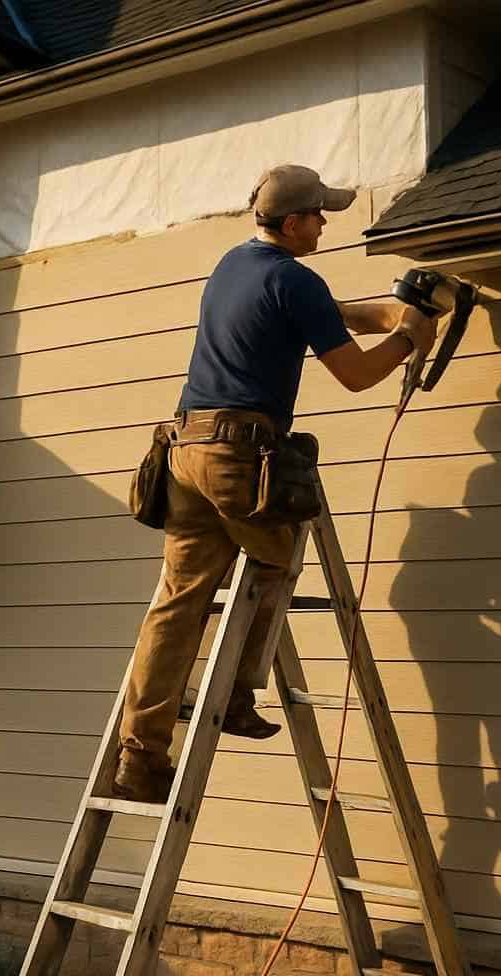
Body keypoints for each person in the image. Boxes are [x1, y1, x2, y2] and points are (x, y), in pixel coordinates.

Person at [113, 164, 439, 802]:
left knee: (178, 604)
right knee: (278, 557)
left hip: (183, 453)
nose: (324, 225)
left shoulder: (232, 267)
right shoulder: (298, 281)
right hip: (237, 458)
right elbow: (354, 375)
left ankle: (140, 755)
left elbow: (327, 314)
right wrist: (407, 336)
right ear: (292, 223)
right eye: (319, 216)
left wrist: (396, 311)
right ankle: (234, 693)